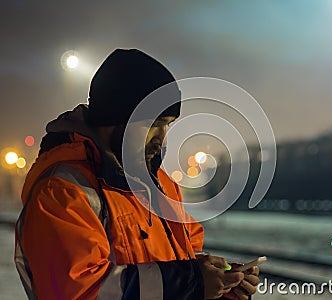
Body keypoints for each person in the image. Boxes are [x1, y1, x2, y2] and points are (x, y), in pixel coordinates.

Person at [15, 49, 260, 300]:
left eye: (168, 124)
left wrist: (216, 285)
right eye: (154, 124)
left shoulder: (159, 182)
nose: (163, 137)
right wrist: (191, 283)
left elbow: (166, 264)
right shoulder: (63, 192)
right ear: (115, 118)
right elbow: (79, 291)